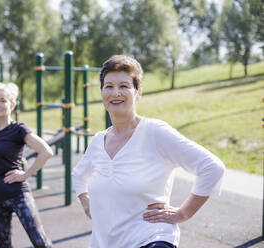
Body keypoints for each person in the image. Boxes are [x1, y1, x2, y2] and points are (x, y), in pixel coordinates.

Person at [72, 55, 225, 248]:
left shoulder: (154, 132)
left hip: (151, 239)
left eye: (124, 86)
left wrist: (183, 213)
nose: (115, 92)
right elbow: (78, 175)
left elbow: (212, 167)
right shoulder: (97, 141)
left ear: (138, 93)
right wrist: (86, 202)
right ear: (102, 92)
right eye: (109, 86)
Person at [0, 82, 53, 248]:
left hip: (18, 194)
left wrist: (25, 175)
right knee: (3, 244)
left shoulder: (18, 129)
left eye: (2, 100)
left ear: (12, 104)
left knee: (40, 242)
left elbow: (46, 151)